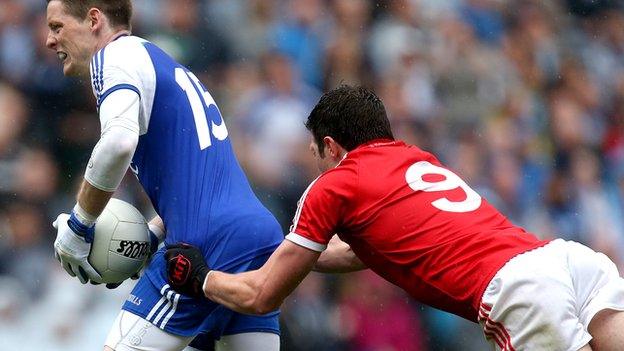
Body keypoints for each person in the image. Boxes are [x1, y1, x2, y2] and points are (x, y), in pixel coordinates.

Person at [166, 85, 624, 351]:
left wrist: (202, 277)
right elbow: (368, 251)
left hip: (518, 292)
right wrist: (293, 255)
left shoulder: (335, 183)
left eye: (315, 151)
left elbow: (263, 296)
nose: (314, 161)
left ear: (331, 146)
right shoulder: (414, 158)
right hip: (567, 260)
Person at [45, 1, 283, 350]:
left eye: (57, 26)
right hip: (256, 235)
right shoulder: (161, 62)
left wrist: (80, 226)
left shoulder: (112, 58)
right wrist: (154, 232)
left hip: (202, 246)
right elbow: (201, 177)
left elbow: (118, 143)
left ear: (94, 20)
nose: (50, 41)